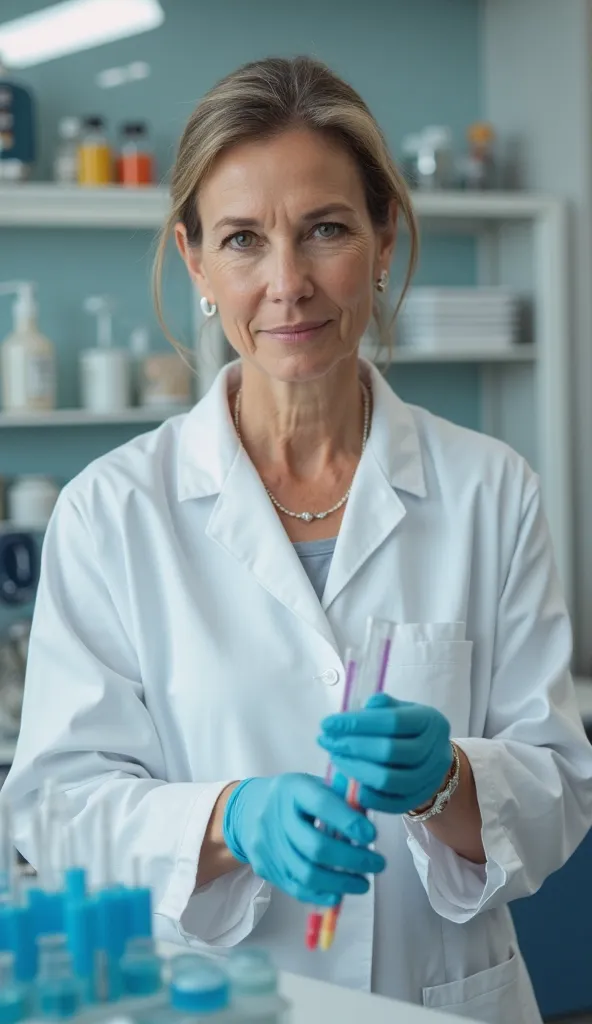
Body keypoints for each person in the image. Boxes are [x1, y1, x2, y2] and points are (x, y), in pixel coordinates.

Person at [3, 56, 592, 1024]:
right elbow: (57, 808)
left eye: (324, 228)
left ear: (382, 237)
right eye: (242, 240)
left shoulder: (490, 488)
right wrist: (229, 818)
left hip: (441, 999)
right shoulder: (111, 510)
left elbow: (561, 785)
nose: (288, 284)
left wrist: (450, 780)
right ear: (194, 260)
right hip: (213, 1002)